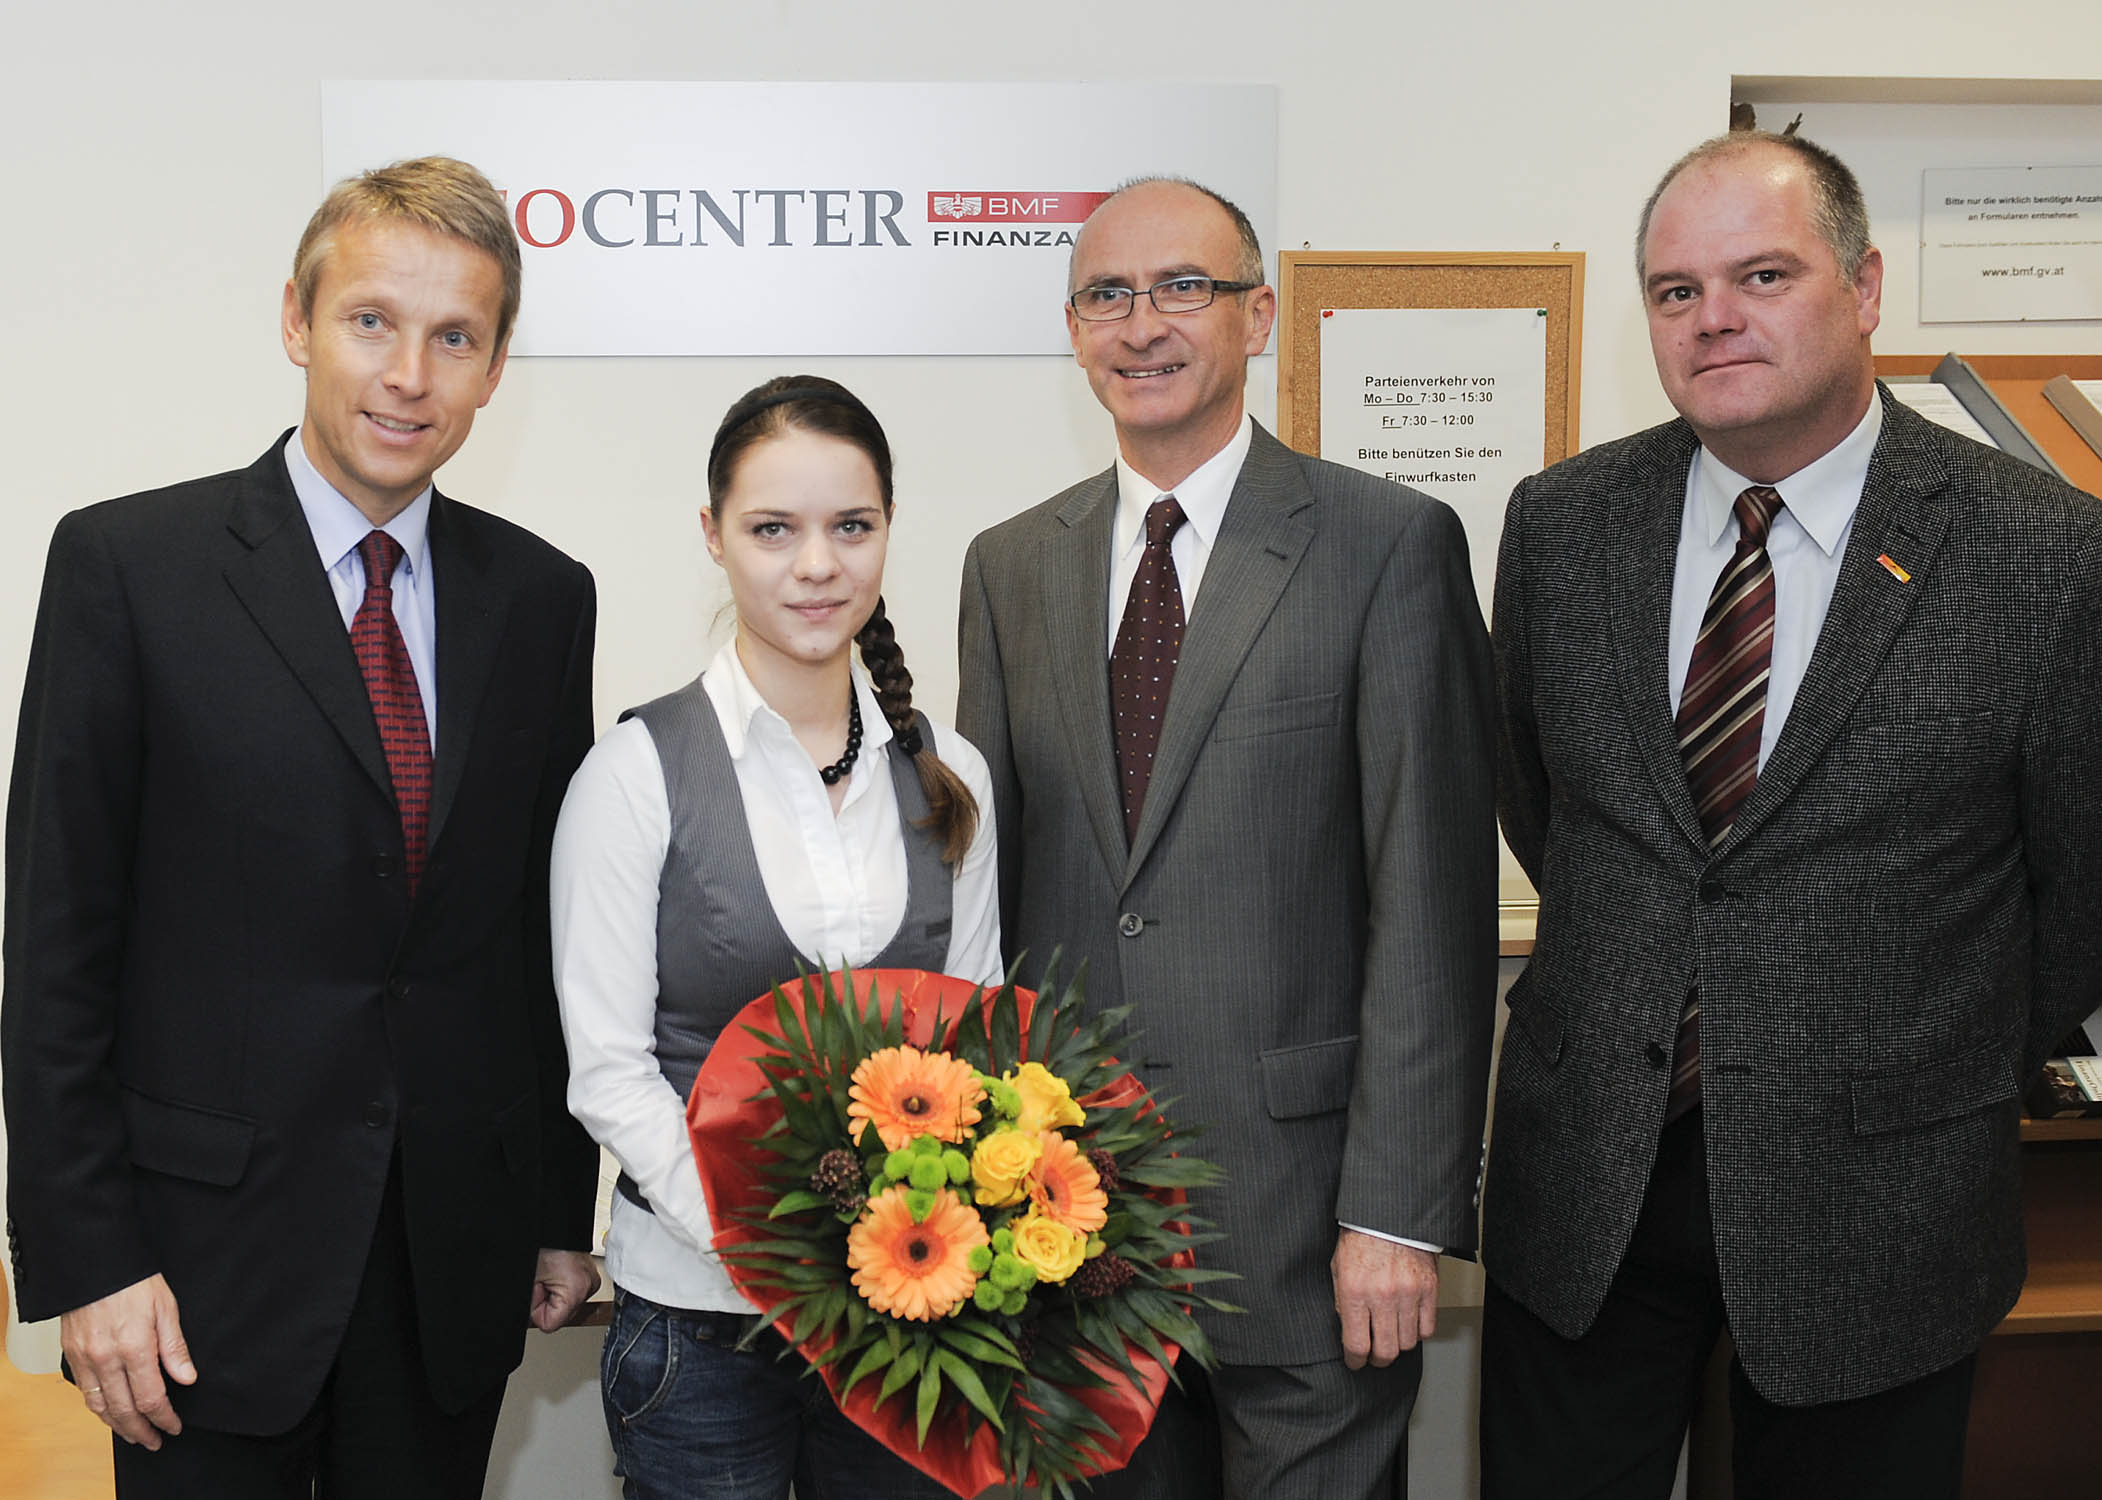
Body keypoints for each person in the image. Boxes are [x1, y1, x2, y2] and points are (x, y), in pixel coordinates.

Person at [1481, 130, 2102, 1499]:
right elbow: (1546, 807)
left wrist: (1929, 1053)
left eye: (1760, 274)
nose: (1714, 319)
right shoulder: (1562, 524)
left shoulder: (2041, 553)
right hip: (1590, 1181)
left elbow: (2080, 887)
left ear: (1865, 286)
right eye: (1673, 290)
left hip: (1880, 1195)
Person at [1, 156, 601, 1497]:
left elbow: (533, 938)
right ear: (295, 322)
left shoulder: (543, 600)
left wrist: (563, 1208)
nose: (409, 375)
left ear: (496, 368)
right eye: (372, 322)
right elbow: (55, 946)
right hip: (191, 1282)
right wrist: (87, 1259)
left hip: (447, 1268)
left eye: (456, 338)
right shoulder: (127, 570)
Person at [955, 178, 1498, 1498]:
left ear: (1257, 315)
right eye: (1106, 295)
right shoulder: (1009, 565)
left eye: (1179, 288)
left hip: (1313, 1234)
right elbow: (982, 909)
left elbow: (1430, 905)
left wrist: (1394, 1217)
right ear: (1073, 328)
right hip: (1070, 1234)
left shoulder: (1385, 545)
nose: (1140, 325)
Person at [550, 375, 1002, 1500]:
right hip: (702, 1333)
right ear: (713, 537)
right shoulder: (634, 773)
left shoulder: (952, 774)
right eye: (772, 529)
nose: (816, 565)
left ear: (889, 530)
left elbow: (986, 1039)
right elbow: (609, 1072)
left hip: (907, 1326)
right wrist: (776, 1249)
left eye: (851, 527)